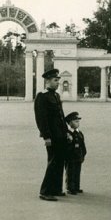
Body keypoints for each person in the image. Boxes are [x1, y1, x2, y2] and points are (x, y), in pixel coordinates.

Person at [34, 68, 69, 201]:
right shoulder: (42, 96)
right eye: (55, 80)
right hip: (52, 136)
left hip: (60, 135)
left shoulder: (56, 96)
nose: (57, 83)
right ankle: (45, 191)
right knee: (53, 162)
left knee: (60, 161)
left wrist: (66, 132)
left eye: (58, 80)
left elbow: (61, 116)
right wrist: (46, 136)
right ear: (47, 81)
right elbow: (41, 119)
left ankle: (56, 189)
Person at [65, 112, 87, 195]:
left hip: (78, 156)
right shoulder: (68, 133)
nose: (78, 123)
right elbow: (67, 146)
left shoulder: (79, 133)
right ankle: (70, 188)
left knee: (77, 172)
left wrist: (83, 154)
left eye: (78, 121)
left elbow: (82, 145)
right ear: (70, 123)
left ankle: (76, 187)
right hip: (71, 157)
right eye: (76, 121)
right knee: (70, 172)